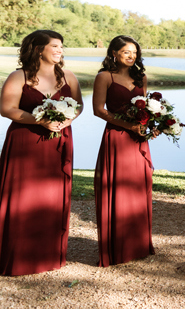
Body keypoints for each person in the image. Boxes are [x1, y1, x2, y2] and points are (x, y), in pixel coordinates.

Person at [0, 30, 83, 275]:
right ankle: (17, 256)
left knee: (53, 197)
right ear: (38, 49)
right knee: (23, 197)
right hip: (26, 143)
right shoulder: (20, 76)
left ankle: (48, 255)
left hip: (59, 141)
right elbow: (6, 109)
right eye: (54, 46)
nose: (59, 50)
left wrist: (67, 120)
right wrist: (40, 121)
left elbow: (78, 106)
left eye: (61, 47)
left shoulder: (68, 76)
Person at [93, 35, 155, 266]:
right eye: (127, 52)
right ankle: (116, 248)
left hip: (139, 139)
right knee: (117, 189)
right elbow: (99, 110)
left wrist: (152, 128)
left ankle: (138, 244)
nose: (131, 56)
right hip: (117, 138)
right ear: (114, 53)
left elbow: (146, 109)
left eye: (135, 53)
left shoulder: (141, 77)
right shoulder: (104, 77)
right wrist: (129, 125)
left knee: (139, 188)